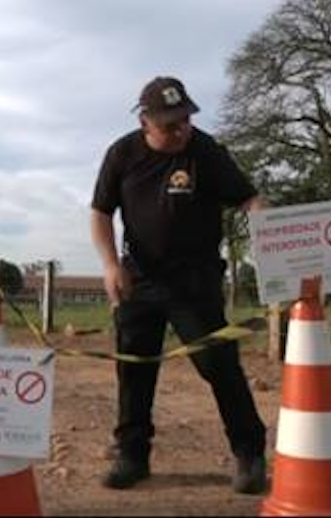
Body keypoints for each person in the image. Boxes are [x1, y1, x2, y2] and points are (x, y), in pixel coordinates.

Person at [90, 76, 268, 494]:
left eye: (185, 120)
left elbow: (249, 198)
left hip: (195, 280)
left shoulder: (205, 151)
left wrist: (269, 224)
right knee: (134, 367)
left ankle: (249, 452)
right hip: (139, 278)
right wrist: (111, 265)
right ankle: (132, 455)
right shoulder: (122, 154)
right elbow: (100, 212)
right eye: (170, 125)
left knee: (217, 364)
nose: (181, 130)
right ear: (145, 122)